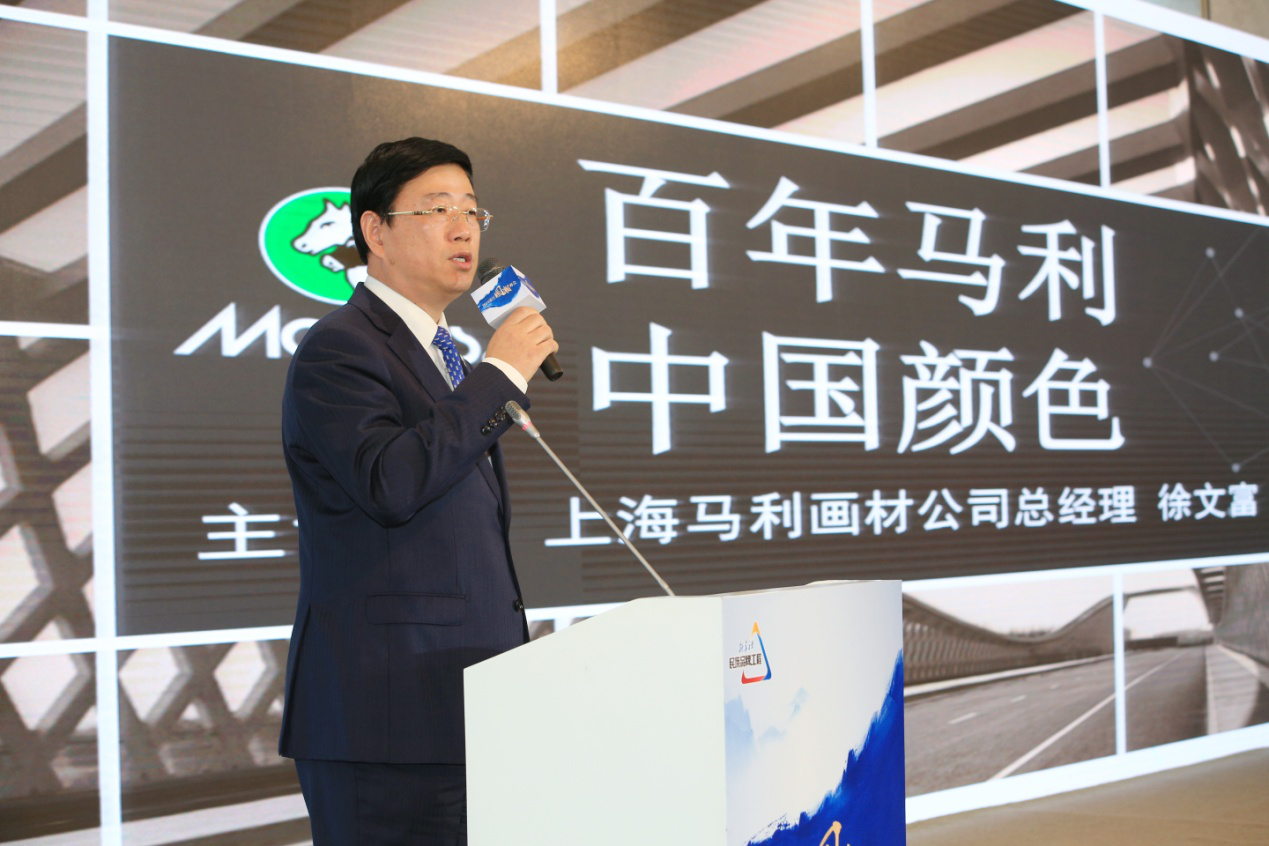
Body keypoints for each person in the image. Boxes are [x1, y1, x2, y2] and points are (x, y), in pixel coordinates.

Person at [277, 137, 558, 845]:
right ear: (375, 231)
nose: (463, 229)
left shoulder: (444, 354)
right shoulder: (341, 345)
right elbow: (390, 483)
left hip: (464, 708)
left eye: (471, 211)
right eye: (438, 210)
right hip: (387, 719)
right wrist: (502, 377)